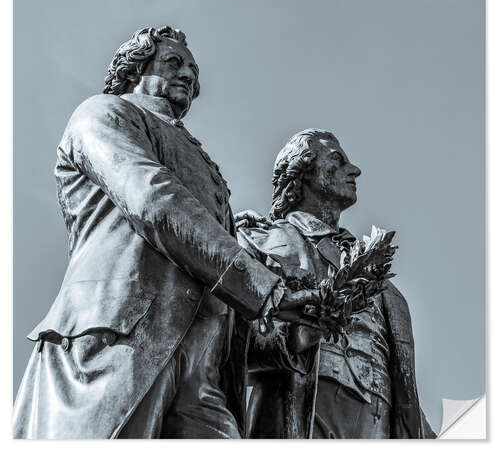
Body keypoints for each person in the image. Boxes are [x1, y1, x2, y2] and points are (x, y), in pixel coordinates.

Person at [13, 26, 316, 439]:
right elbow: (152, 199)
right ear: (133, 69)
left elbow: (216, 267)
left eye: (193, 69)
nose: (189, 75)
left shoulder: (202, 161)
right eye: (173, 62)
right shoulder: (104, 113)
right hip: (116, 338)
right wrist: (263, 287)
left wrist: (288, 320)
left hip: (205, 370)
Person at [235, 128, 436, 439]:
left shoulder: (378, 276)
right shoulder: (259, 239)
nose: (354, 170)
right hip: (304, 412)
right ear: (302, 171)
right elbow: (224, 341)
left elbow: (404, 388)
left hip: (380, 423)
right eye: (337, 160)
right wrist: (294, 338)